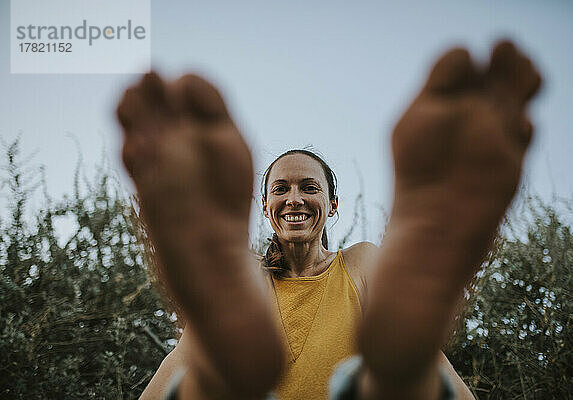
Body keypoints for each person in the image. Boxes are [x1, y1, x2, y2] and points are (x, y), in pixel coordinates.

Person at [116, 40, 541, 400]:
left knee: (404, 356)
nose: (294, 199)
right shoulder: (246, 279)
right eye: (280, 189)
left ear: (333, 204)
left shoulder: (359, 267)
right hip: (247, 296)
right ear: (265, 208)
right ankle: (229, 372)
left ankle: (226, 379)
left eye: (309, 187)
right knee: (226, 319)